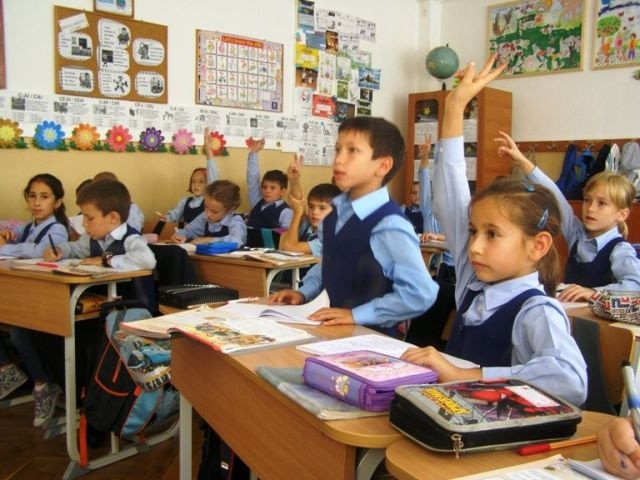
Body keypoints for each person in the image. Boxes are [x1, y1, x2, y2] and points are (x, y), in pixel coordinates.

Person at [401, 55, 587, 407]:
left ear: (538, 245)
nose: (474, 246)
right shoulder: (473, 284)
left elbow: (571, 380)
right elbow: (451, 192)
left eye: (492, 234)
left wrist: (466, 375)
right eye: (473, 232)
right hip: (454, 416)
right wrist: (454, 107)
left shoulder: (537, 310)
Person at [269, 116, 438, 332]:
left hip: (371, 341)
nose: (339, 160)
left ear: (383, 165)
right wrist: (304, 293)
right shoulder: (334, 216)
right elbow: (331, 265)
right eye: (338, 150)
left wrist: (357, 314)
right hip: (333, 333)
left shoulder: (389, 224)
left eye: (352, 151)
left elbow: (421, 293)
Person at [503, 134, 640, 302]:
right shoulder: (576, 233)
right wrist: (523, 162)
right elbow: (555, 196)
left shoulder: (620, 249)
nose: (590, 208)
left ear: (622, 214)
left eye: (602, 203)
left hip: (595, 318)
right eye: (587, 200)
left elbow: (636, 286)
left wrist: (593, 292)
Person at [0, 174, 69, 422]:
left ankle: (43, 383)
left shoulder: (58, 228)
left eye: (44, 197)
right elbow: (11, 233)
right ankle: (7, 369)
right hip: (24, 294)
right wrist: (6, 236)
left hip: (46, 298)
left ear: (57, 202)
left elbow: (40, 251)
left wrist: (5, 248)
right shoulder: (28, 227)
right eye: (32, 196)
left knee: (20, 332)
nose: (37, 202)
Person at [279, 154, 340, 255]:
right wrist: (294, 181)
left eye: (322, 208)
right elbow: (298, 201)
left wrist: (297, 213)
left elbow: (289, 248)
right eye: (311, 207)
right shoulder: (309, 226)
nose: (314, 212)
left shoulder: (329, 238)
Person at [158, 128, 220, 227]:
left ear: (208, 184)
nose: (196, 185)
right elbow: (175, 215)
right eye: (193, 181)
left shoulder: (209, 202)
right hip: (186, 235)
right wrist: (167, 218)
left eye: (201, 182)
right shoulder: (185, 201)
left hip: (203, 235)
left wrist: (208, 150)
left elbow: (213, 178)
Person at [171, 180, 247, 245]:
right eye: (206, 207)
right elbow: (188, 231)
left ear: (229, 210)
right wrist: (179, 236)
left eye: (214, 212)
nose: (208, 214)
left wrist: (208, 240)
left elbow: (237, 241)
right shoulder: (204, 217)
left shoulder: (235, 221)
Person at [245, 139, 293, 230]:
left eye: (272, 188)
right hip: (249, 239)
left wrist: (272, 232)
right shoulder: (257, 201)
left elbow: (287, 234)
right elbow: (252, 179)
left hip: (269, 240)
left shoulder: (286, 212)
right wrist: (254, 153)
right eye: (264, 187)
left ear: (282, 192)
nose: (267, 191)